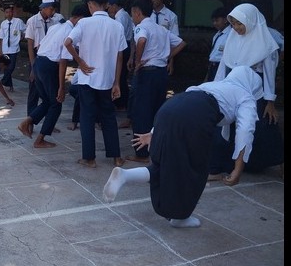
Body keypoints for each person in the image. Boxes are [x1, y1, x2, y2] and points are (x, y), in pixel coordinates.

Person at [102, 66, 263, 228]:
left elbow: (181, 108)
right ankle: (180, 218)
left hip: (169, 107)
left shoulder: (213, 85)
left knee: (164, 164)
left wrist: (154, 132)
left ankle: (125, 175)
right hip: (195, 118)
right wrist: (238, 169)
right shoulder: (246, 97)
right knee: (195, 169)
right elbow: (245, 131)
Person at [211, 2, 283, 175]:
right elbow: (223, 67)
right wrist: (215, 88)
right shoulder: (231, 39)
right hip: (232, 87)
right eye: (233, 24)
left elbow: (269, 74)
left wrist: (270, 101)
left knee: (260, 126)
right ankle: (232, 162)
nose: (236, 28)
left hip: (255, 90)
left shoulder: (266, 43)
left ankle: (260, 162)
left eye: (240, 23)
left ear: (250, 21)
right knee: (230, 124)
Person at [64, 0, 128, 168]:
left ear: (90, 4)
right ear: (107, 4)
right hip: (107, 80)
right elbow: (120, 56)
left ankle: (89, 158)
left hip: (87, 78)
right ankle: (116, 157)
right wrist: (117, 82)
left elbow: (67, 42)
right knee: (108, 117)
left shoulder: (84, 23)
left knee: (87, 117)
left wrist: (80, 62)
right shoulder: (117, 26)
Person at [17, 3, 90, 148]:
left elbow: (40, 46)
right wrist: (61, 87)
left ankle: (27, 122)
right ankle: (40, 140)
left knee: (47, 101)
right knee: (56, 103)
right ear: (80, 19)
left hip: (39, 63)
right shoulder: (70, 32)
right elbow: (63, 61)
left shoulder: (56, 27)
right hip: (49, 67)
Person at [125, 0, 186, 163]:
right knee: (156, 111)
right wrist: (166, 57)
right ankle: (157, 148)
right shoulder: (161, 29)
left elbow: (141, 40)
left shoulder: (141, 27)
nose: (132, 17)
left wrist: (138, 61)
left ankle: (141, 153)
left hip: (147, 73)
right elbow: (181, 43)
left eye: (132, 14)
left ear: (137, 12)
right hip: (160, 74)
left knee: (141, 113)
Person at [25, 0, 64, 116]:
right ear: (43, 8)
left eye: (54, 8)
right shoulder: (32, 21)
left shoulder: (58, 19)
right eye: (51, 9)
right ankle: (30, 119)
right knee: (34, 91)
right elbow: (30, 44)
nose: (53, 12)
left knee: (51, 92)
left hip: (52, 59)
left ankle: (49, 117)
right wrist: (33, 67)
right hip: (38, 58)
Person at [109, 0, 133, 110]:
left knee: (120, 75)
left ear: (114, 6)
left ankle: (121, 102)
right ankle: (122, 101)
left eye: (109, 7)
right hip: (126, 45)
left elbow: (118, 36)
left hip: (123, 46)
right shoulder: (125, 14)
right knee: (122, 75)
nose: (108, 10)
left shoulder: (120, 17)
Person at [0, 4, 26, 92]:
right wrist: (0, 50)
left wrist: (22, 36)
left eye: (10, 12)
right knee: (6, 67)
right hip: (5, 48)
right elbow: (1, 37)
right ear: (5, 13)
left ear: (12, 12)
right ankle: (10, 85)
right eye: (7, 12)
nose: (9, 14)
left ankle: (3, 81)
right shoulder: (3, 23)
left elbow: (25, 30)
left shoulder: (18, 21)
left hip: (14, 48)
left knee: (11, 66)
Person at [205, 6, 232, 82]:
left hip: (222, 66)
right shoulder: (217, 35)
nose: (214, 23)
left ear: (225, 20)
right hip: (212, 66)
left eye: (217, 21)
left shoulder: (230, 34)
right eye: (213, 21)